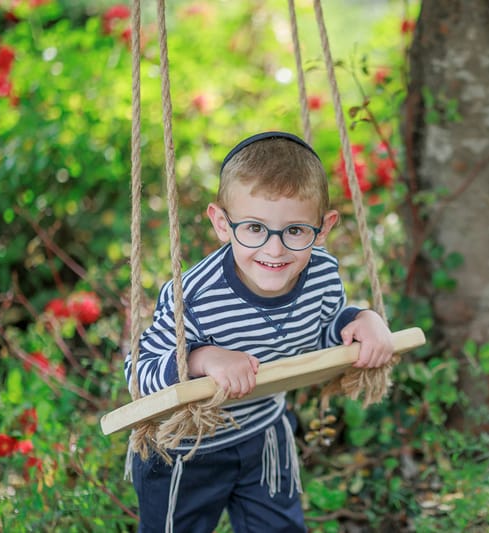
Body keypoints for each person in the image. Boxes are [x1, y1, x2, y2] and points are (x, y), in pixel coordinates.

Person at [125, 131, 394, 533]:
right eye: (253, 228)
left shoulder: (320, 273)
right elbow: (138, 374)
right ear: (221, 223)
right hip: (184, 450)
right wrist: (201, 358)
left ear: (322, 229)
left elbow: (319, 337)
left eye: (296, 231)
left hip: (263, 435)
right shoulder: (194, 296)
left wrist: (363, 321)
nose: (275, 250)